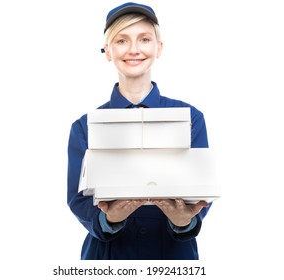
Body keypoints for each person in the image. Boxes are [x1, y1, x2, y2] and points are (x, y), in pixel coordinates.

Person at [67, 2, 212, 260]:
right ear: (108, 51)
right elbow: (77, 200)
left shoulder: (191, 118)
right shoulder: (84, 125)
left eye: (144, 39)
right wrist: (109, 218)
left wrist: (183, 221)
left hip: (172, 258)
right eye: (121, 40)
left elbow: (200, 188)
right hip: (108, 258)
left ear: (159, 48)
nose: (134, 49)